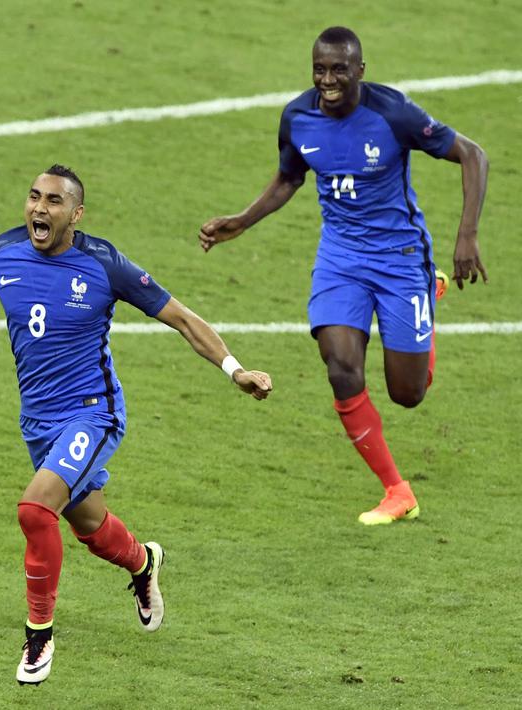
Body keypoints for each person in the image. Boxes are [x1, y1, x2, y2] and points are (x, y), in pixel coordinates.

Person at [0, 165, 272, 685]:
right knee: (90, 527)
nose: (40, 208)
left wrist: (235, 370)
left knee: (36, 510)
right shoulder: (2, 254)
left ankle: (39, 636)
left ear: (76, 215)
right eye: (34, 197)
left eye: (54, 201)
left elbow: (183, 319)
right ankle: (143, 564)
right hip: (38, 423)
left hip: (93, 413)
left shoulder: (104, 264)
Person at [199, 26, 488, 525]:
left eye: (338, 70)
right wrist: (241, 221)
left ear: (359, 71)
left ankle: (427, 292)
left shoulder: (392, 113)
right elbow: (290, 177)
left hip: (400, 256)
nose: (327, 80)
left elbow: (473, 154)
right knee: (340, 366)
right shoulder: (297, 117)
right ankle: (397, 492)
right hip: (341, 257)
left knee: (408, 394)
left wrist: (467, 236)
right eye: (319, 69)